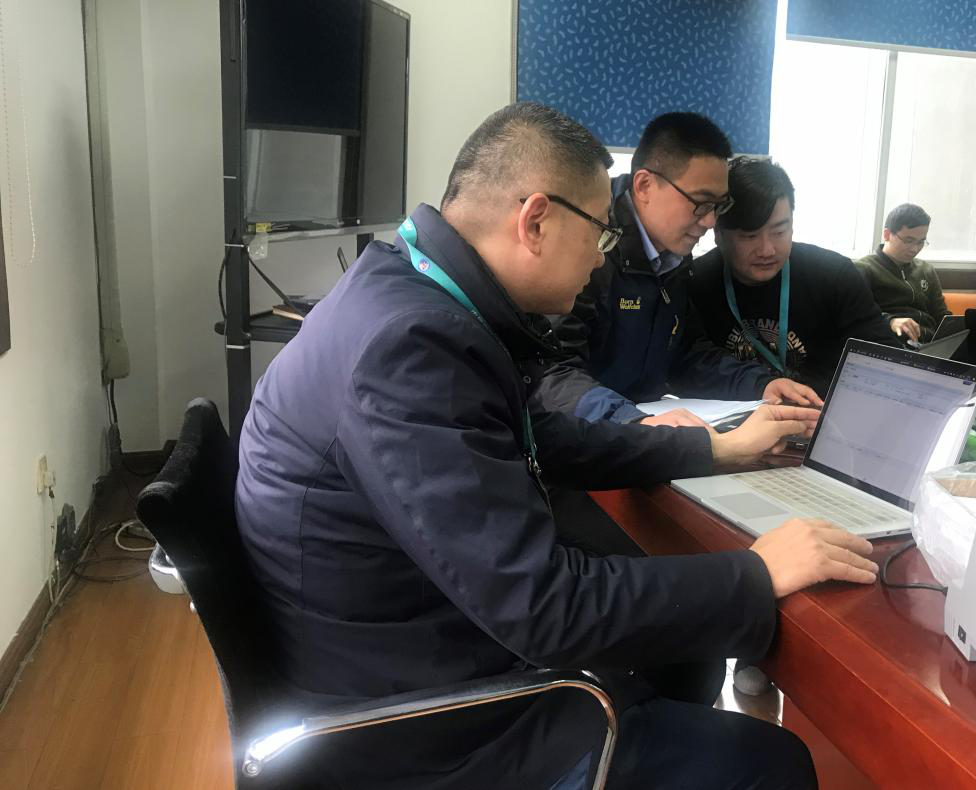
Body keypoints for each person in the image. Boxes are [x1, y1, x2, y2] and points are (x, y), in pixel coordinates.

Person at [234, 102, 880, 790]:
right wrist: (757, 571)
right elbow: (544, 608)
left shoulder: (408, 293)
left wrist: (711, 452)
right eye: (600, 233)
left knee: (683, 653)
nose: (602, 259)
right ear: (536, 221)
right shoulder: (410, 347)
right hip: (426, 727)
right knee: (773, 763)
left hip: (404, 647)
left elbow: (539, 437)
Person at [533, 112, 821, 428]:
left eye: (718, 205)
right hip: (586, 435)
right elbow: (552, 374)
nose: (710, 221)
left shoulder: (674, 255)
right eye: (700, 202)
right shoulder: (587, 245)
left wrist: (761, 385)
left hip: (639, 433)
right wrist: (635, 423)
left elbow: (687, 354)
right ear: (644, 186)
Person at [690, 156, 901, 397]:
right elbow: (691, 364)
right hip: (741, 413)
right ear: (718, 233)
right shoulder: (696, 282)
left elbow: (887, 360)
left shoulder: (833, 275)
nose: (767, 250)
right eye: (749, 236)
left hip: (822, 409)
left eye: (779, 231)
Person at [854, 204, 950, 341]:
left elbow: (941, 315)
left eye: (921, 242)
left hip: (929, 341)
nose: (915, 249)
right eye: (908, 240)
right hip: (891, 339)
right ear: (887, 234)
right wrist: (890, 321)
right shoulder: (864, 269)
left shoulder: (926, 269)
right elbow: (858, 315)